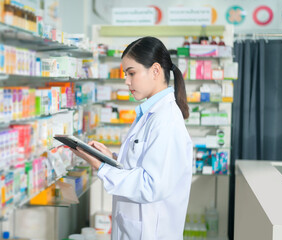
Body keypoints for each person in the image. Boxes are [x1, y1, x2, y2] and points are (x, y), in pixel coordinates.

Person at [71, 36, 193, 240]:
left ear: (155, 71)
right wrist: (112, 158)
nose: (127, 81)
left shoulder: (166, 120)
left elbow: (151, 185)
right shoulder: (151, 114)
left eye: (131, 73)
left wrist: (102, 168)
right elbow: (142, 165)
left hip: (151, 232)